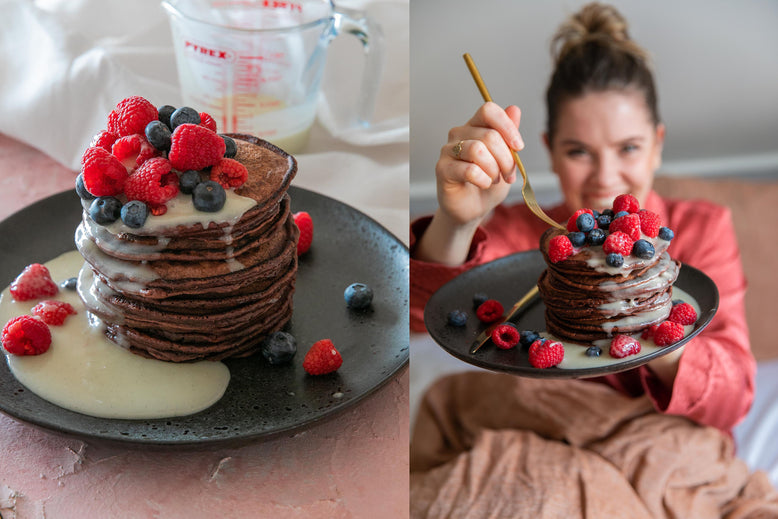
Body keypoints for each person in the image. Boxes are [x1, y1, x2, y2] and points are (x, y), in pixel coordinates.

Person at [410, 2, 754, 434]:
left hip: (663, 439)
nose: (606, 177)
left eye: (628, 147)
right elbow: (426, 320)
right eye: (578, 151)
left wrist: (648, 314)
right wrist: (456, 221)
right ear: (549, 150)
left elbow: (734, 399)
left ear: (657, 145)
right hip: (539, 434)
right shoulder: (524, 234)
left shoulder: (704, 229)